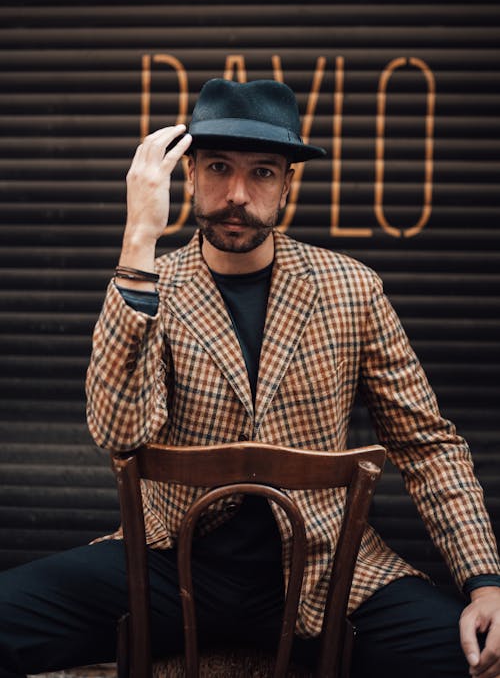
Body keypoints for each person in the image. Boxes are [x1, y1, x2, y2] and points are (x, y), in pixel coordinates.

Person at [1, 78, 499, 678]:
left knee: (475, 658)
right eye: (217, 167)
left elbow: (427, 444)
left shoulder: (350, 288)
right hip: (168, 565)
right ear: (187, 174)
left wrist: (484, 582)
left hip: (326, 573)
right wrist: (138, 240)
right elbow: (119, 433)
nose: (237, 194)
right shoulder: (153, 286)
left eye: (262, 172)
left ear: (287, 182)